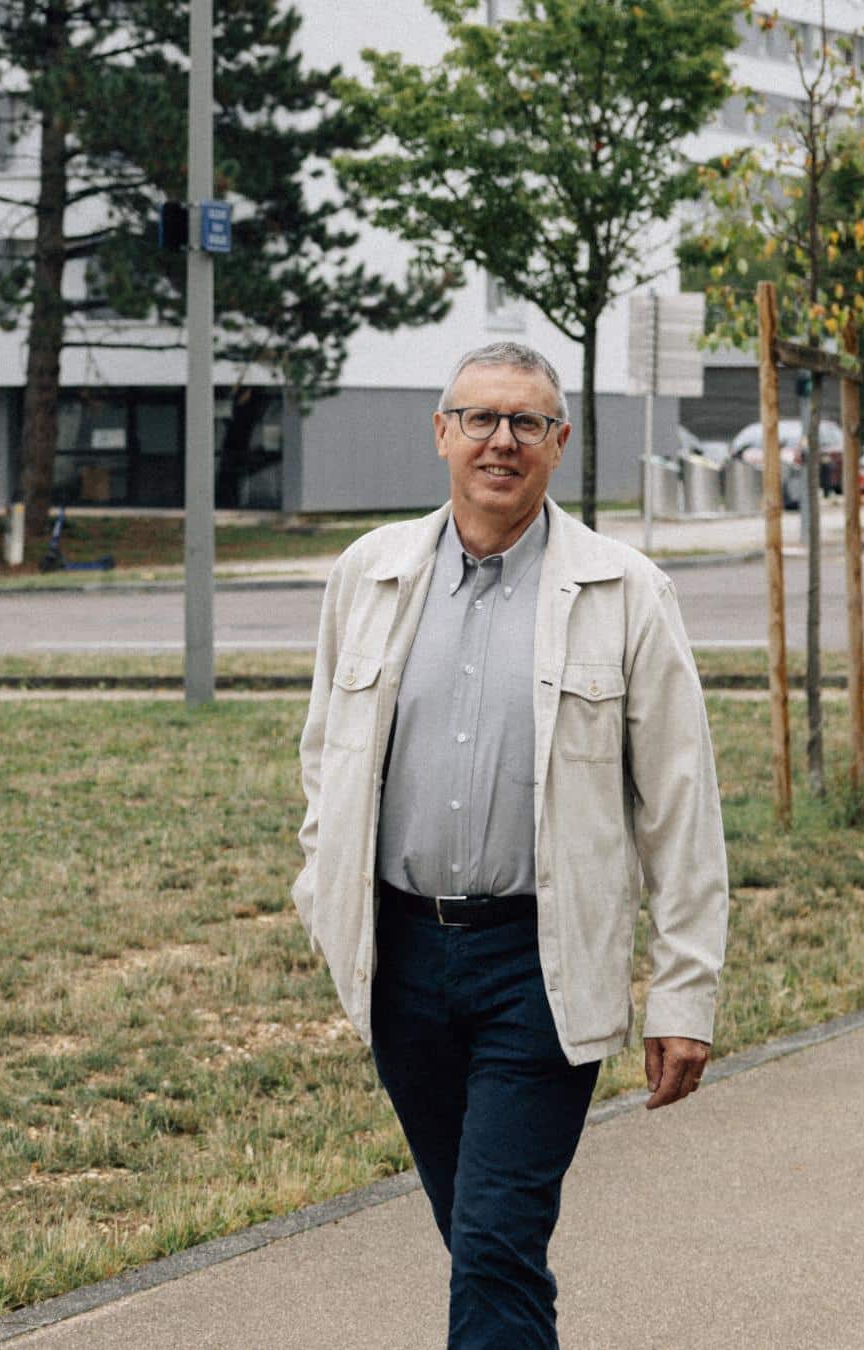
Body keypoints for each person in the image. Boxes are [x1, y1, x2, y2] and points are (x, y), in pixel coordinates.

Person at [290, 340, 730, 1348]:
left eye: (525, 423)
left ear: (559, 443)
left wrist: (683, 993)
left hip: (538, 966)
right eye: (480, 419)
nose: (502, 441)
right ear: (441, 432)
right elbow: (326, 757)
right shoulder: (371, 574)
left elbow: (680, 806)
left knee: (493, 1241)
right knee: (482, 1239)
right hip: (400, 961)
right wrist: (326, 899)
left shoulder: (623, 590)